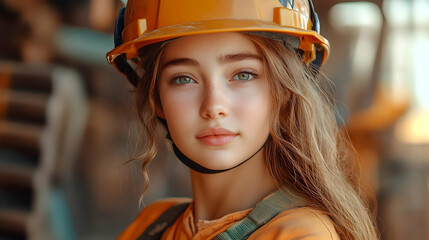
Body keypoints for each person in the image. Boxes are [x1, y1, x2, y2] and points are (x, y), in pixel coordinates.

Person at [106, 0, 379, 239]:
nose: (213, 107)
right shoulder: (152, 226)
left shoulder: (301, 235)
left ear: (284, 92)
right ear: (156, 99)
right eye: (183, 78)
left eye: (243, 74)